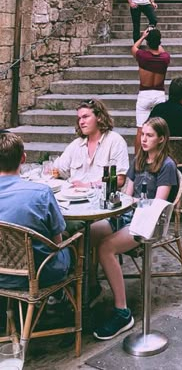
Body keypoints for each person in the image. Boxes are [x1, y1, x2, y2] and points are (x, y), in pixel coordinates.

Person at [92, 118, 178, 341]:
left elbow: (157, 206)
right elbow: (127, 195)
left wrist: (130, 207)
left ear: (161, 138)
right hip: (127, 215)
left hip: (147, 222)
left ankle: (122, 312)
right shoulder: (138, 160)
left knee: (105, 248)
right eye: (143, 135)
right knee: (89, 232)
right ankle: (89, 289)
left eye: (150, 135)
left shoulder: (167, 166)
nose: (144, 139)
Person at [0, 133, 71, 289]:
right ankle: (64, 298)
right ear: (23, 159)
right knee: (73, 242)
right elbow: (56, 242)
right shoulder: (41, 193)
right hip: (38, 275)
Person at [54, 99, 129, 188]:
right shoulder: (76, 144)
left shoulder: (115, 141)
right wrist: (52, 170)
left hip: (101, 197)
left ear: (99, 117)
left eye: (85, 117)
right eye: (79, 118)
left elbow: (120, 179)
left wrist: (89, 185)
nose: (81, 122)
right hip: (73, 196)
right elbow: (60, 170)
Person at [132, 26, 170, 154]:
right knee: (159, 129)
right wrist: (156, 39)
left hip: (144, 94)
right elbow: (162, 51)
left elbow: (134, 48)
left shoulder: (142, 56)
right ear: (159, 42)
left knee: (140, 129)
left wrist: (143, 36)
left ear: (147, 42)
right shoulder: (165, 58)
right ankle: (158, 156)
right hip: (159, 94)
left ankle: (138, 162)